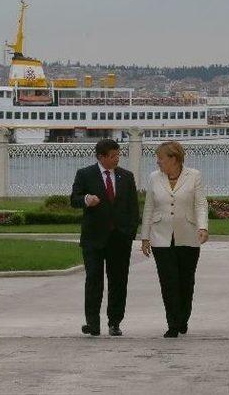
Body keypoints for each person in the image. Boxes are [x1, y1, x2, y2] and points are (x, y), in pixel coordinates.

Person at [70, 138, 140, 336]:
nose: (117, 159)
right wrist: (86, 200)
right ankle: (92, 323)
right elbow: (74, 199)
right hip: (94, 239)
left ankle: (115, 322)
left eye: (118, 155)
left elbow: (133, 208)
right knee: (94, 280)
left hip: (120, 239)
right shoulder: (85, 174)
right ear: (101, 157)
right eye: (113, 156)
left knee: (118, 281)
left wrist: (130, 233)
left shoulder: (126, 176)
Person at [140, 141, 209, 338]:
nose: (157, 162)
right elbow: (149, 208)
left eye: (161, 158)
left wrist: (203, 227)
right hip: (160, 237)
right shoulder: (154, 177)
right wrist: (145, 237)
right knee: (168, 281)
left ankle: (183, 318)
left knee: (185, 281)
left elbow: (201, 205)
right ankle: (172, 323)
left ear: (174, 159)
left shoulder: (194, 175)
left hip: (188, 235)